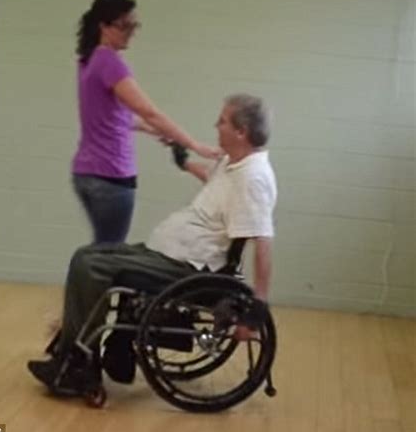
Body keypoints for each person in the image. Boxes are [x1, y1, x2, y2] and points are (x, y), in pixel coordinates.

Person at [29, 93, 277, 393]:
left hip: (187, 268)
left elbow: (262, 238)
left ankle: (78, 363)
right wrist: (183, 161)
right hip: (168, 253)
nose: (216, 125)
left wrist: (257, 306)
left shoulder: (254, 178)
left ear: (241, 131)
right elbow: (210, 178)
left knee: (90, 263)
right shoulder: (233, 163)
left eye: (222, 121)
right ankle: (80, 354)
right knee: (89, 255)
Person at [72, 0, 219, 244]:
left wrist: (154, 131)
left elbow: (113, 118)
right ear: (103, 26)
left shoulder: (89, 60)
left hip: (86, 175)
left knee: (101, 251)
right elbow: (149, 111)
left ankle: (88, 283)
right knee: (109, 255)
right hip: (111, 176)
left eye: (134, 25)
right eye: (124, 25)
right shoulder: (110, 62)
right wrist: (194, 144)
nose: (131, 31)